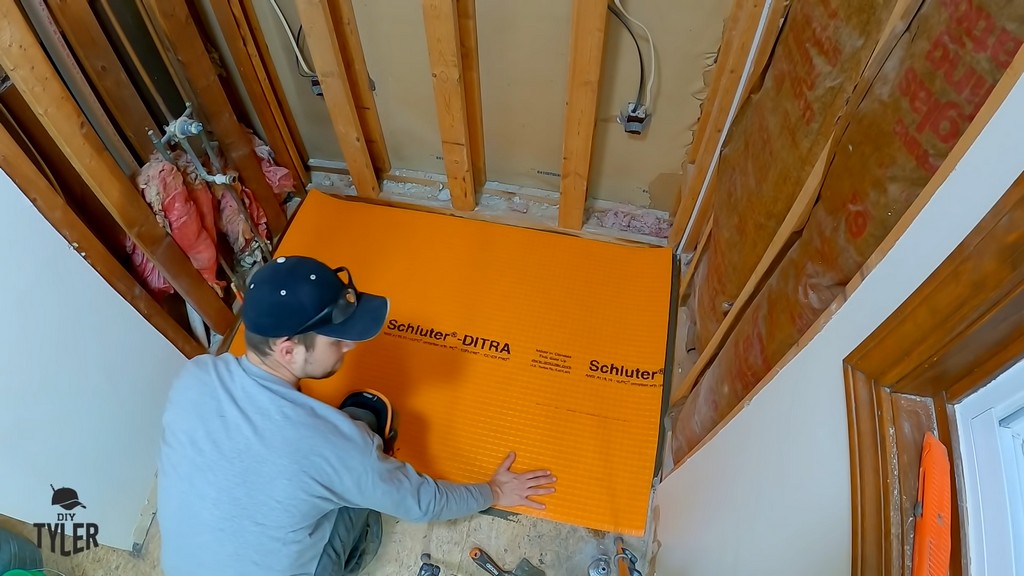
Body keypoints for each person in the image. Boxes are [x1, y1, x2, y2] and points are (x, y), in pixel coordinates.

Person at [156, 255, 556, 576]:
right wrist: (495, 492)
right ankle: (353, 553)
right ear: (288, 350)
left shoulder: (196, 375)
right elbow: (422, 503)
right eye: (337, 339)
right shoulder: (340, 445)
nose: (349, 346)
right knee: (362, 454)